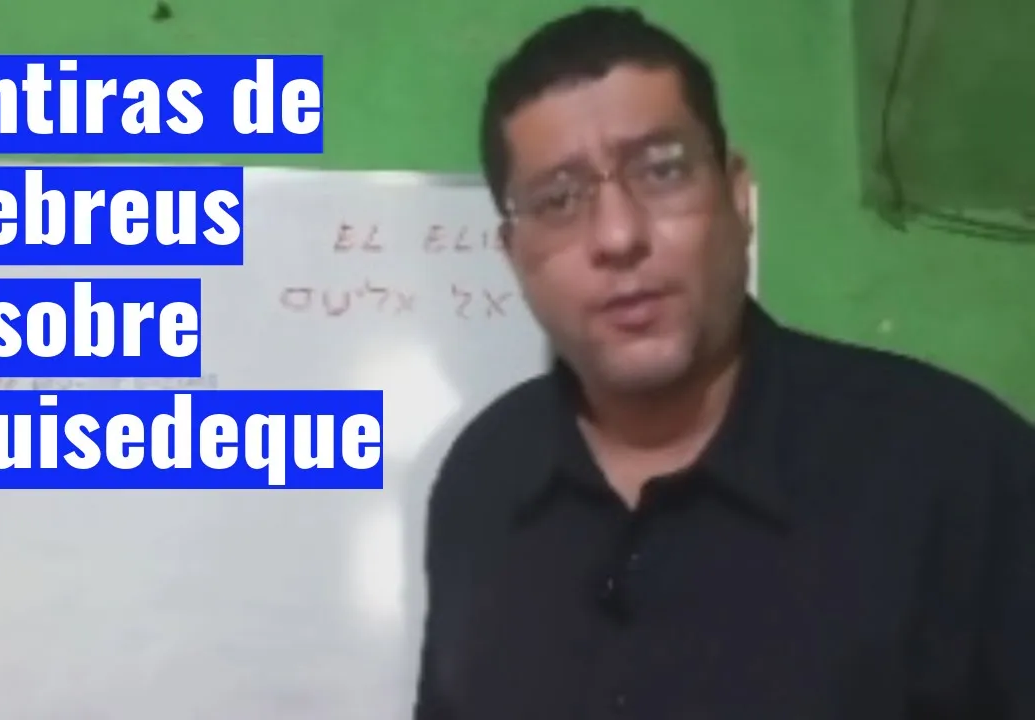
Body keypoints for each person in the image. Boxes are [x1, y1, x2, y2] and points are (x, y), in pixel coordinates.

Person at [413, 6, 1035, 719]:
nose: (617, 235)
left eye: (661, 171)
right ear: (514, 255)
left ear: (738, 197)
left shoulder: (962, 471)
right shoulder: (482, 480)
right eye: (557, 200)